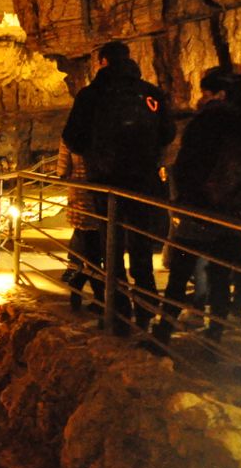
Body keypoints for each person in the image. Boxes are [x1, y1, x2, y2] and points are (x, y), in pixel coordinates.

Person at [62, 41, 175, 333]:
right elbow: (168, 133)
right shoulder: (150, 93)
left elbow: (72, 137)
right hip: (143, 181)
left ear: (102, 61)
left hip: (106, 183)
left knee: (110, 248)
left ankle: (117, 313)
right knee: (141, 247)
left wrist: (95, 154)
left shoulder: (91, 95)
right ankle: (146, 311)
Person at [152, 69, 241, 348]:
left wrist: (183, 200)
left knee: (180, 272)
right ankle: (215, 335)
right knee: (220, 276)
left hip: (199, 209)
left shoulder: (206, 122)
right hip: (231, 212)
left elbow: (188, 165)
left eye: (205, 93)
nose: (200, 99)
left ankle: (164, 331)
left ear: (219, 95)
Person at [56, 139, 101, 312]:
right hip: (100, 193)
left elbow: (63, 169)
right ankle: (96, 296)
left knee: (90, 251)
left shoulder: (72, 134)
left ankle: (80, 287)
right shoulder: (104, 130)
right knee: (94, 253)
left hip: (80, 192)